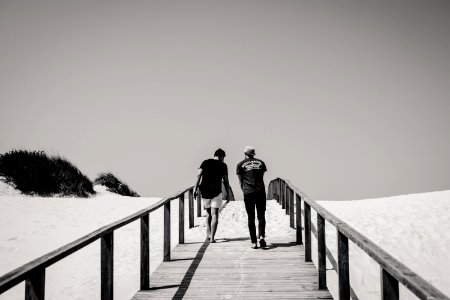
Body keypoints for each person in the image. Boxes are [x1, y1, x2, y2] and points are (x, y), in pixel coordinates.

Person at [194, 148, 230, 243]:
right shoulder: (223, 165)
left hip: (205, 191)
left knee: (208, 213)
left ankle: (208, 234)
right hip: (216, 191)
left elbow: (198, 175)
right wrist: (228, 193)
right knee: (215, 214)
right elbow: (226, 181)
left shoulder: (205, 162)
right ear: (222, 156)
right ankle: (213, 237)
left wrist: (195, 188)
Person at [237, 146, 267, 249]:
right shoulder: (261, 163)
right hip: (260, 191)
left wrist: (244, 190)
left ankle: (254, 242)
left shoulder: (240, 164)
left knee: (251, 217)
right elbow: (261, 176)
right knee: (261, 216)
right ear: (254, 153)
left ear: (244, 153)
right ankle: (262, 236)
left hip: (249, 192)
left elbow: (241, 181)